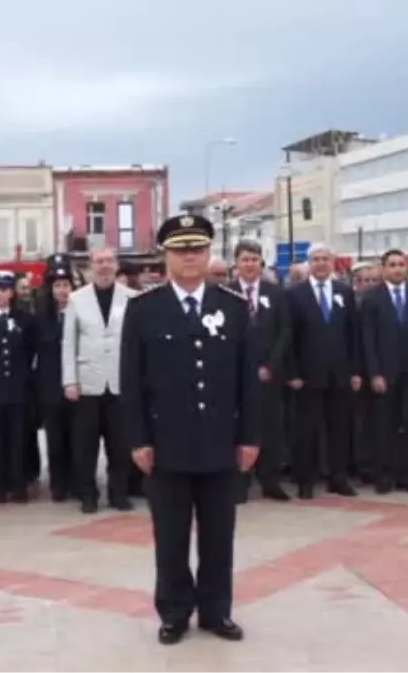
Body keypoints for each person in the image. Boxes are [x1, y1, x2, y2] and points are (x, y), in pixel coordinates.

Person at [120, 213, 258, 645]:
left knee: (220, 536)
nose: (190, 256)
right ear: (167, 256)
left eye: (197, 248)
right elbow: (131, 381)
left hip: (220, 442)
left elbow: (248, 380)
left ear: (209, 253)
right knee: (171, 537)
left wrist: (250, 437)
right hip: (167, 445)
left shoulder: (233, 307)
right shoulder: (144, 309)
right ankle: (175, 612)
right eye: (181, 250)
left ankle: (217, 612)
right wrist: (138, 439)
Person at [62, 248, 137, 513]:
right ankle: (88, 495)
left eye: (109, 261)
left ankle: (119, 494)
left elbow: (136, 344)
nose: (104, 266)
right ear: (90, 267)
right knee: (86, 446)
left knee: (120, 444)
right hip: (87, 383)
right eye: (99, 262)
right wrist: (69, 380)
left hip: (120, 383)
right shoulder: (76, 299)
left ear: (116, 266)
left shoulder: (132, 298)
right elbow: (69, 342)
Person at [285, 243, 361, 498]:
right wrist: (293, 373)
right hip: (307, 375)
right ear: (309, 263)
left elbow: (353, 334)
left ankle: (338, 478)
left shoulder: (344, 292)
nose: (320, 263)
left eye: (324, 259)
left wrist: (355, 371)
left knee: (340, 428)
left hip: (339, 374)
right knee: (306, 430)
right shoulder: (295, 294)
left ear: (332, 262)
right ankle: (305, 480)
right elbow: (289, 337)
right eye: (315, 259)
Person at [361, 249, 408, 494]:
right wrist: (374, 373)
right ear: (383, 269)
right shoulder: (372, 298)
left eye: (401, 264)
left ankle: (407, 474)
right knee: (383, 426)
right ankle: (383, 475)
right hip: (384, 373)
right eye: (392, 264)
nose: (397, 269)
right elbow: (368, 340)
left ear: (407, 268)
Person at [229, 239, 292, 502]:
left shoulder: (275, 293)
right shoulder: (226, 293)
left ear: (261, 263)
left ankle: (270, 481)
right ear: (237, 263)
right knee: (239, 428)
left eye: (254, 260)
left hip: (269, 374)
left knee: (271, 428)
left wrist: (270, 366)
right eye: (244, 259)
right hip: (236, 376)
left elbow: (285, 331)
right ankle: (240, 482)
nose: (249, 264)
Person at [0, 270, 36, 503]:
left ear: (12, 292)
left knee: (18, 439)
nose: (0, 294)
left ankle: (18, 485)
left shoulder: (24, 319)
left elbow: (29, 351)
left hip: (18, 389)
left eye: (5, 290)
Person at [36, 261, 77, 501]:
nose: (62, 290)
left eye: (66, 285)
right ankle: (58, 484)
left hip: (76, 386)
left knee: (78, 439)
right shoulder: (41, 317)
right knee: (55, 439)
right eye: (58, 285)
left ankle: (77, 481)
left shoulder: (81, 313)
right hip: (50, 387)